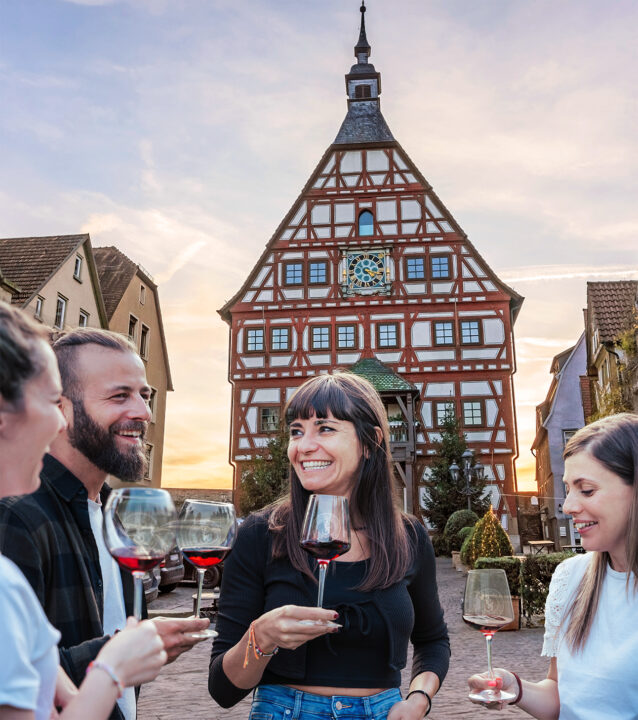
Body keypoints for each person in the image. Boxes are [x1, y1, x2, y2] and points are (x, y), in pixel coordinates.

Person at [209, 372, 450, 720]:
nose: (303, 446)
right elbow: (222, 689)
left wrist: (418, 700)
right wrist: (260, 638)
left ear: (370, 443)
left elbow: (433, 641)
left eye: (325, 428)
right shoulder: (260, 534)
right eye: (296, 431)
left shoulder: (408, 537)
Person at [0, 324, 209, 720]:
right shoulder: (17, 515)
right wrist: (116, 659)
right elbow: (23, 682)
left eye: (144, 396)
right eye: (120, 396)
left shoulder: (114, 513)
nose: (144, 413)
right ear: (61, 407)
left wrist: (137, 649)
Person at [468, 413, 638, 719]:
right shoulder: (570, 578)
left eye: (586, 490)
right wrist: (515, 687)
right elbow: (561, 695)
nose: (569, 505)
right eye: (569, 489)